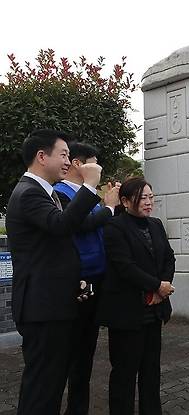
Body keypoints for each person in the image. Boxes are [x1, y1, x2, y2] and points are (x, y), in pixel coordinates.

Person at [6, 129, 103, 414]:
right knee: (42, 389)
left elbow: (56, 244)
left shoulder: (43, 193)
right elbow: (62, 226)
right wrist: (90, 185)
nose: (68, 161)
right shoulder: (29, 193)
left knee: (49, 386)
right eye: (63, 155)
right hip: (42, 309)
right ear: (41, 156)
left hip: (53, 305)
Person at [96, 178, 176, 415]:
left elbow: (168, 258)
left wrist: (163, 285)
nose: (148, 202)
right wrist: (156, 287)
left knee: (151, 371)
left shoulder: (156, 224)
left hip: (154, 311)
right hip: (127, 312)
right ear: (125, 201)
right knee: (124, 373)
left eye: (151, 197)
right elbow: (124, 266)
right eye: (142, 197)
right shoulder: (114, 227)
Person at [53, 142, 121, 415]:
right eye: (95, 164)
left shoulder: (84, 195)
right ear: (81, 165)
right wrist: (109, 208)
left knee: (84, 357)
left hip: (95, 281)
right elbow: (82, 225)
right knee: (69, 357)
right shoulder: (61, 194)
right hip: (76, 284)